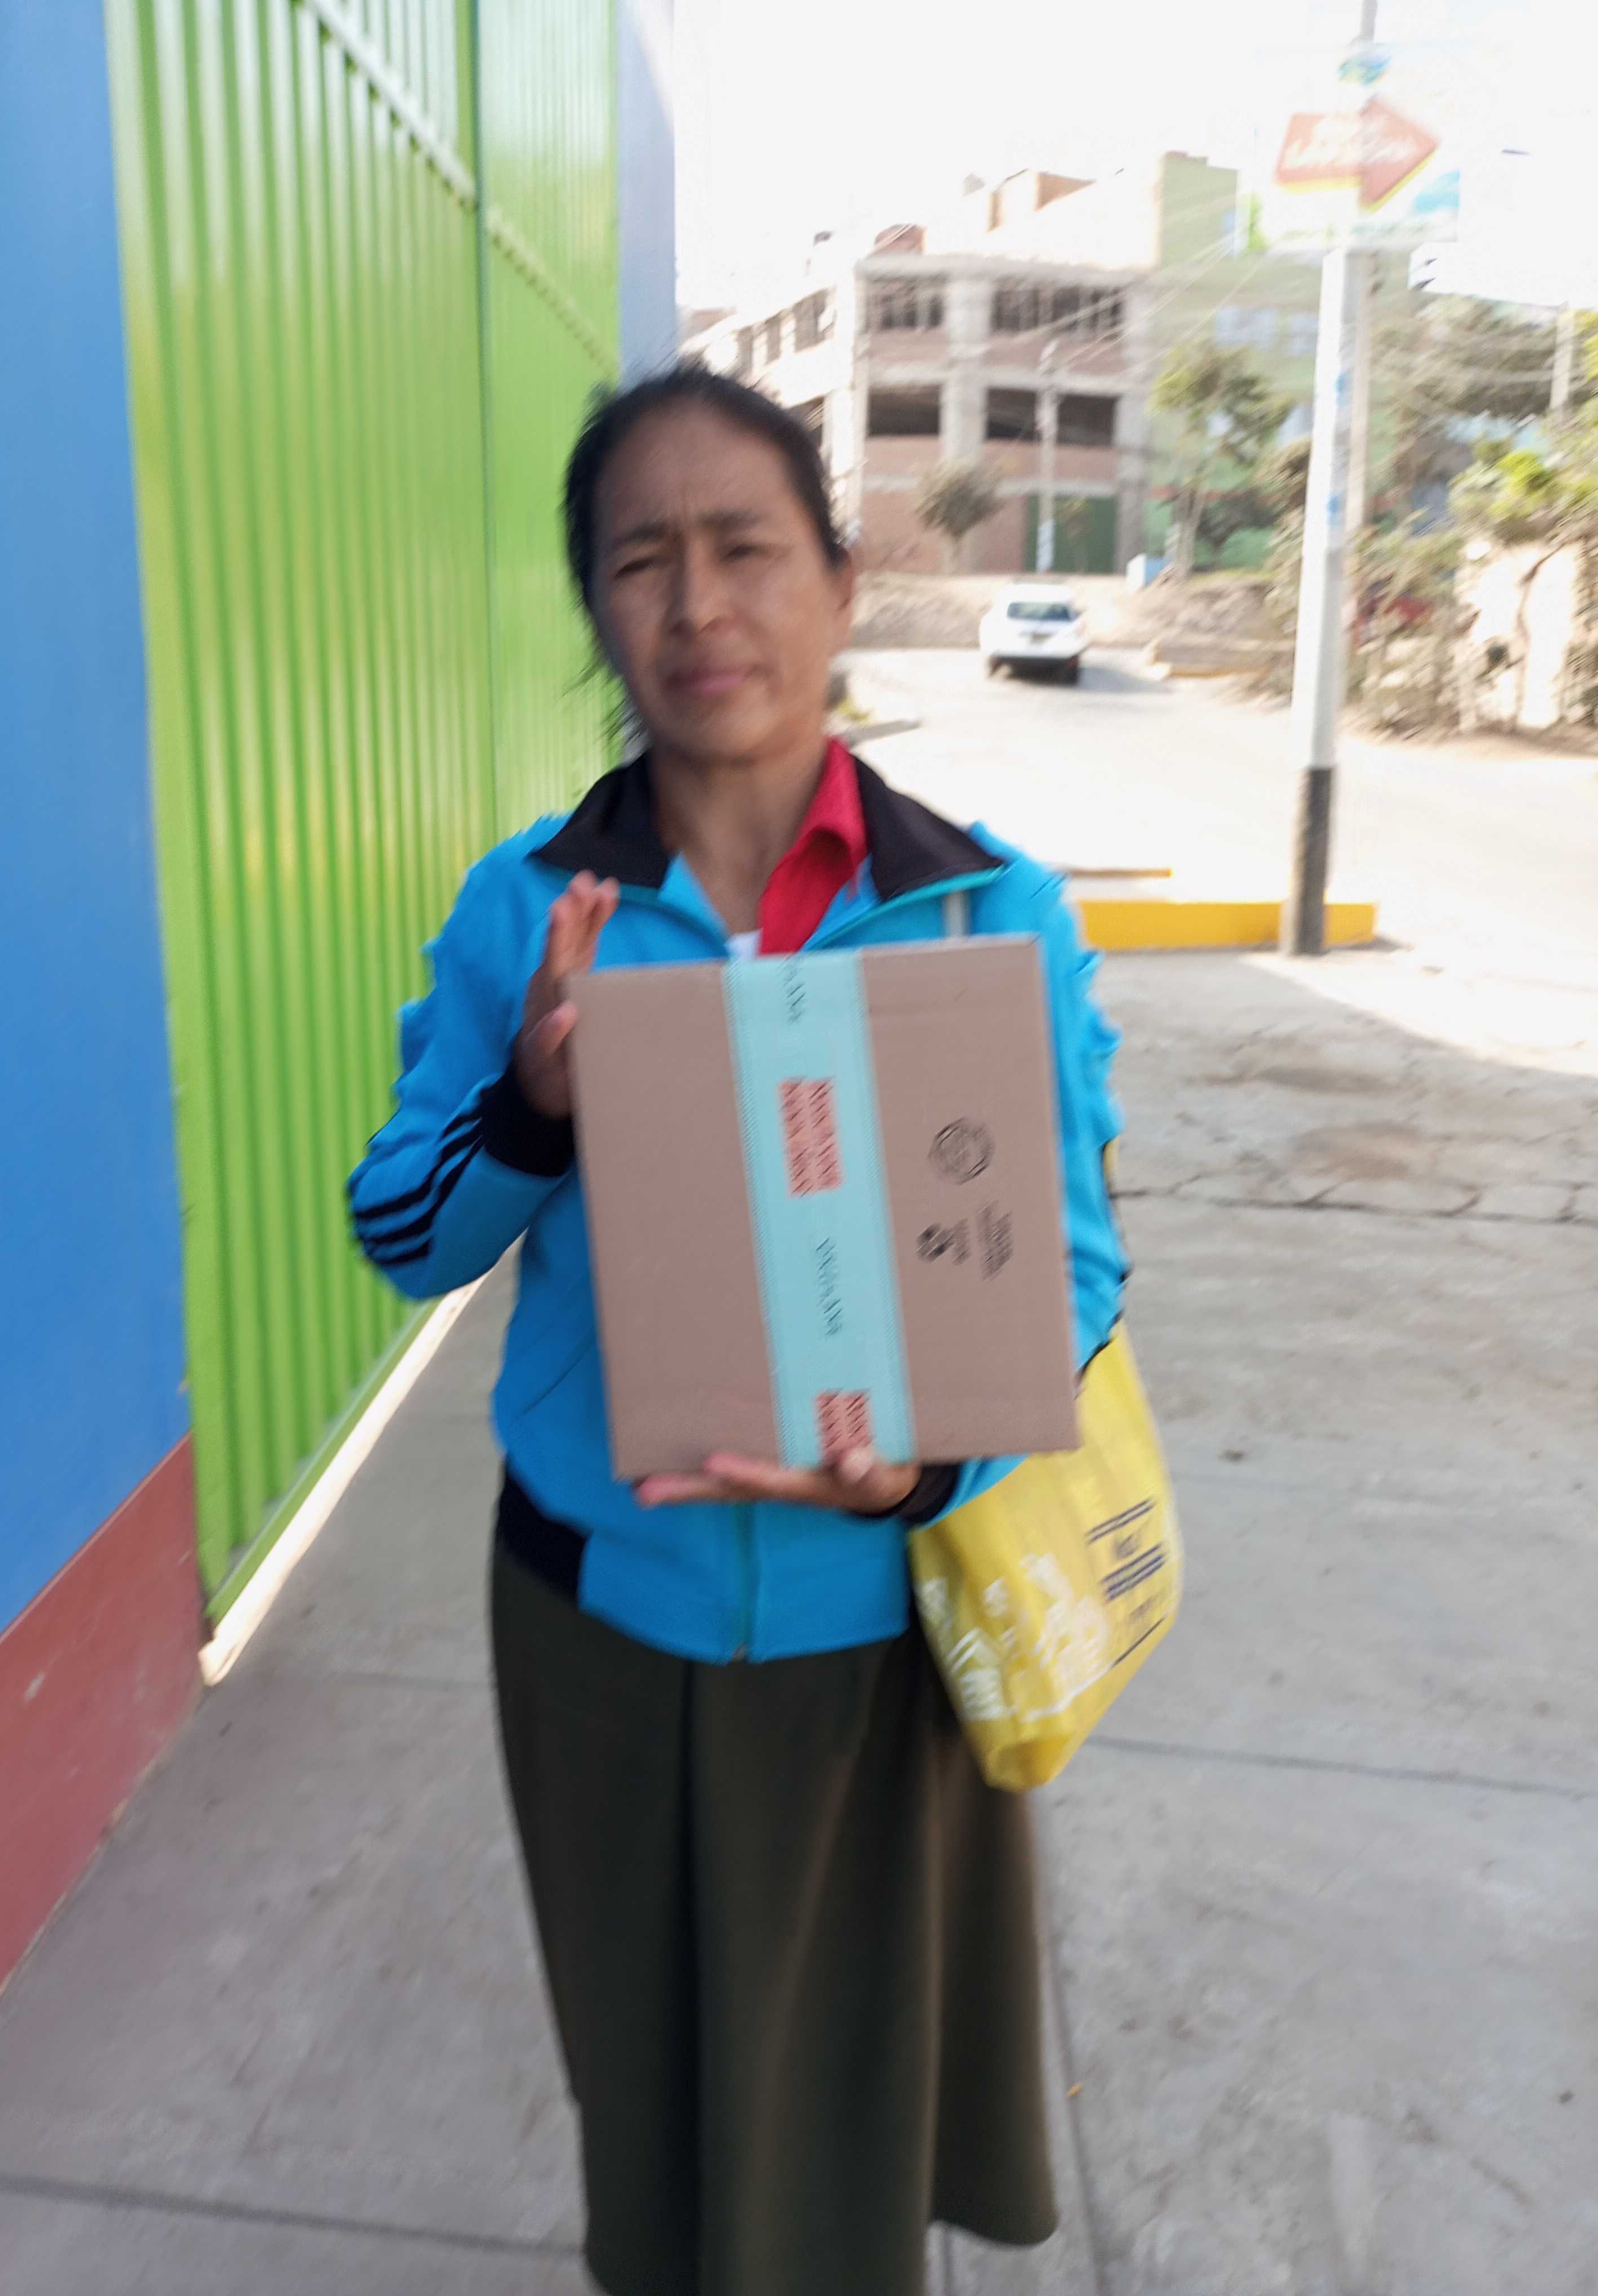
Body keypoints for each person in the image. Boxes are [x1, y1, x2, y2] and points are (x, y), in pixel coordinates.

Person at [348, 366, 1126, 2296]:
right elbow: (404, 1233)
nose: (697, 606)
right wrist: (534, 1104)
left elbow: (1076, 1274)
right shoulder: (531, 913)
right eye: (642, 561)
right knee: (660, 2123)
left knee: (854, 2133)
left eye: (745, 550)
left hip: (883, 1641)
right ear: (597, 606)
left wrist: (929, 1464)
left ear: (840, 585)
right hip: (606, 1630)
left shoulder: (986, 915)